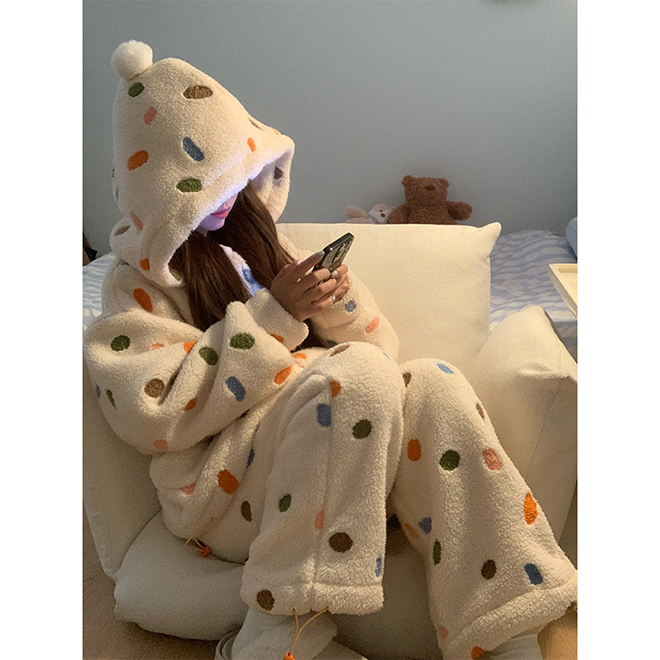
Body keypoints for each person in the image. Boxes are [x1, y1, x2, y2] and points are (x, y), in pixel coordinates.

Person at [84, 41, 576, 660]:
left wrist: (337, 300)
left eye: (233, 175)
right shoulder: (136, 284)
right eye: (203, 188)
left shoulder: (265, 240)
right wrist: (276, 315)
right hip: (223, 491)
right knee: (357, 376)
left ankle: (503, 624)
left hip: (346, 446)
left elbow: (380, 350)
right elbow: (151, 413)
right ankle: (279, 634)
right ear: (158, 194)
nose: (227, 197)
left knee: (433, 379)